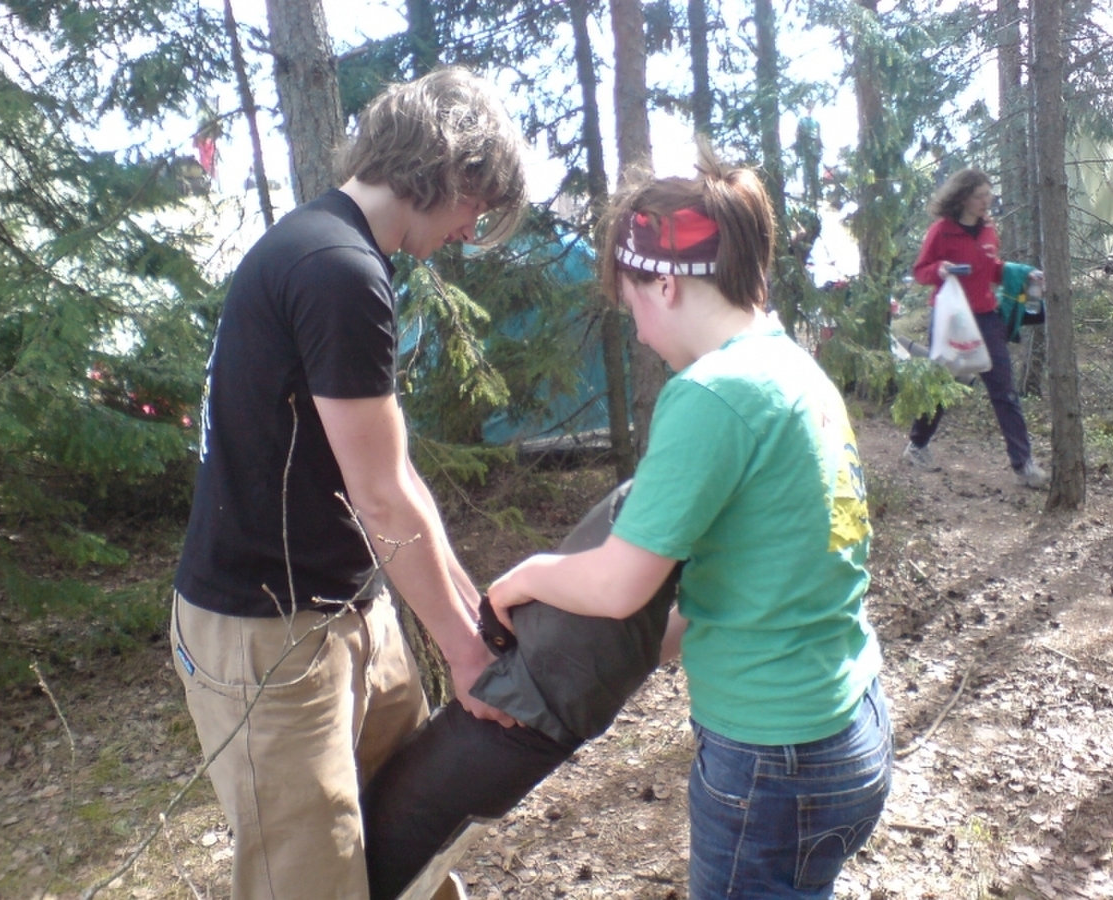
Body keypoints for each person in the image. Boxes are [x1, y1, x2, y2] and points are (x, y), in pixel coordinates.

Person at [488, 145, 892, 900]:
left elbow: (617, 584)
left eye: (634, 303)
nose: (638, 331)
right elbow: (773, 572)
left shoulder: (712, 393)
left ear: (666, 283)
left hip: (774, 759)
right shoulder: (795, 372)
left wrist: (528, 577)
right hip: (849, 722)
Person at [170, 67, 527, 900]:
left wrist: (470, 611)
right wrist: (467, 655)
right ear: (451, 170)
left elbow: (390, 472)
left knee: (414, 838)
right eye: (479, 204)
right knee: (314, 879)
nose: (472, 228)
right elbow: (379, 496)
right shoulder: (336, 269)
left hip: (349, 606)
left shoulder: (337, 251)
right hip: (268, 634)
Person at [902, 168, 1049, 488]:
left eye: (989, 195)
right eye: (980, 196)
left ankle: (1024, 464)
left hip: (986, 317)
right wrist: (941, 269)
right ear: (963, 197)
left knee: (1004, 390)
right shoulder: (941, 231)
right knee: (942, 385)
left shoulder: (988, 232)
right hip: (950, 319)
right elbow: (920, 271)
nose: (987, 201)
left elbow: (992, 269)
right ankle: (917, 445)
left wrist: (1020, 274)